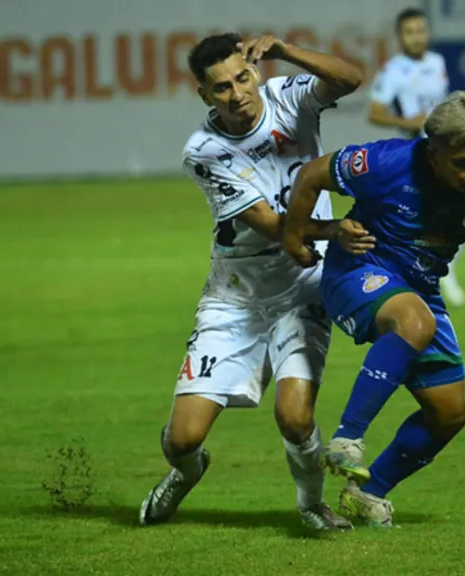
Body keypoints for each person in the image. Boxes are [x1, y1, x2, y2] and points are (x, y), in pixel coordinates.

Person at [281, 92, 465, 527]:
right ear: (433, 153)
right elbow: (311, 174)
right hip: (359, 269)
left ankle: (367, 493)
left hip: (420, 286)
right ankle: (347, 439)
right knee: (415, 321)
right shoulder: (384, 163)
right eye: (464, 163)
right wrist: (296, 237)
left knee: (449, 413)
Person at [139, 32, 366, 531]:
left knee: (295, 416)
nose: (237, 93)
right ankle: (186, 472)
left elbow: (350, 78)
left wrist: (286, 50)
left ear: (255, 71)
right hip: (235, 298)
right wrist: (334, 229)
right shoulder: (204, 151)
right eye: (221, 88)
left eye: (243, 77)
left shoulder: (289, 97)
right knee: (182, 439)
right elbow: (272, 224)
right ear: (204, 95)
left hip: (304, 288)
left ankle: (311, 506)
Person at [367, 8, 465, 308]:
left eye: (420, 31)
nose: (416, 38)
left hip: (447, 148)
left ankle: (438, 268)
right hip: (419, 153)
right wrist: (414, 122)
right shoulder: (393, 70)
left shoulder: (437, 62)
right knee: (435, 215)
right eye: (409, 32)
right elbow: (375, 112)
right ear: (399, 37)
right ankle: (416, 275)